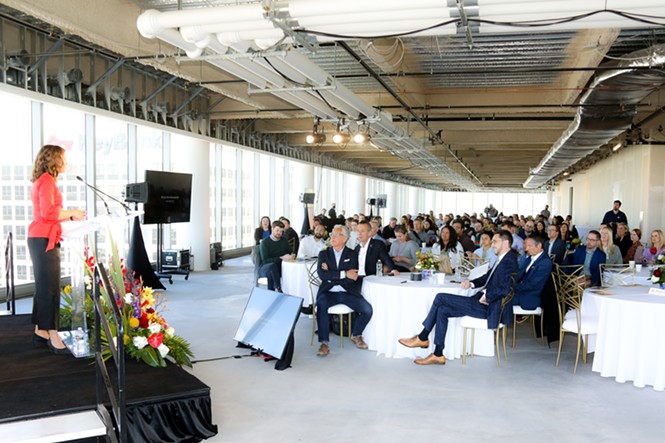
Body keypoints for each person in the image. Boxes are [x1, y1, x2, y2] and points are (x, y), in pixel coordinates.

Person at [397, 230, 518, 365]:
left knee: (440, 297)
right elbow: (486, 278)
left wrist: (487, 296)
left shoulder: (509, 260)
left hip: (490, 307)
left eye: (495, 241)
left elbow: (507, 288)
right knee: (442, 310)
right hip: (482, 302)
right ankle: (438, 354)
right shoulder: (502, 259)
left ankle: (423, 337)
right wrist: (471, 283)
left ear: (506, 242)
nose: (492, 244)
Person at [28, 144, 86, 354]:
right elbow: (48, 212)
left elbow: (50, 212)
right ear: (54, 160)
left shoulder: (44, 180)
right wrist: (73, 212)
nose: (66, 163)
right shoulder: (46, 181)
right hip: (43, 238)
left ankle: (40, 331)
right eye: (63, 159)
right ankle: (53, 335)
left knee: (44, 286)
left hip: (43, 237)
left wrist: (70, 216)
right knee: (50, 288)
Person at [315, 225, 373, 356]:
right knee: (321, 304)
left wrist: (332, 274)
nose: (332, 237)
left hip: (347, 292)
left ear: (345, 238)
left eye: (336, 235)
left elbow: (352, 278)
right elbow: (322, 275)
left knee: (367, 310)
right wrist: (343, 274)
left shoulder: (352, 254)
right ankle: (324, 343)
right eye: (332, 234)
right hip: (328, 292)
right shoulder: (324, 253)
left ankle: (356, 334)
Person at [513, 236, 553, 310]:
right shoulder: (530, 258)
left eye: (529, 246)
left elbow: (532, 285)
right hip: (521, 292)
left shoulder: (545, 262)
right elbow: (519, 274)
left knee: (499, 299)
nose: (526, 248)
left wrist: (512, 287)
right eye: (525, 245)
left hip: (529, 297)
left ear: (539, 246)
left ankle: (503, 321)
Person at [258, 220, 294, 291]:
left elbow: (290, 252)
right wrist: (281, 258)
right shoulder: (265, 243)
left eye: (281, 231)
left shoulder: (284, 240)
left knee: (271, 274)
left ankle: (272, 292)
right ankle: (278, 288)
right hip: (265, 267)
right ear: (272, 229)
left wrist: (292, 255)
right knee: (272, 267)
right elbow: (265, 261)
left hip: (279, 268)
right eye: (277, 230)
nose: (279, 233)